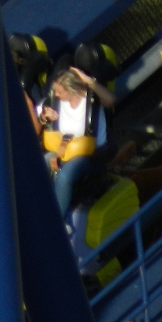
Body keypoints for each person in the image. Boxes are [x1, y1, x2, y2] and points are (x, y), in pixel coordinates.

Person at [38, 66, 115, 214]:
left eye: (60, 92)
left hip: (89, 155)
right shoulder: (57, 101)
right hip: (63, 151)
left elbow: (110, 100)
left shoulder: (91, 100)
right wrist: (45, 117)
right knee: (40, 164)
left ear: (71, 89)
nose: (57, 95)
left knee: (65, 176)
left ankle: (58, 220)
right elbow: (40, 114)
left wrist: (89, 81)